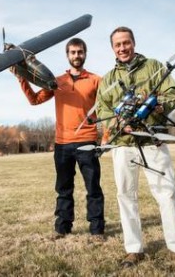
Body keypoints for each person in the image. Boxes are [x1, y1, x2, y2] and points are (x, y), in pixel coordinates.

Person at [97, 26, 175, 268]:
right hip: (123, 145)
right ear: (113, 48)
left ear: (133, 43)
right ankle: (133, 249)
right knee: (126, 195)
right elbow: (102, 109)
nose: (122, 48)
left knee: (167, 192)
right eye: (117, 44)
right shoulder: (107, 79)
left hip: (152, 141)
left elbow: (173, 91)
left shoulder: (153, 66)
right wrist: (116, 122)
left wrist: (158, 106)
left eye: (126, 42)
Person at [12, 38, 105, 241]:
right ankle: (62, 228)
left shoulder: (97, 80)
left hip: (87, 141)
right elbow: (35, 100)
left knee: (93, 188)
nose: (76, 55)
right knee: (63, 188)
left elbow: (107, 108)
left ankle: (97, 230)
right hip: (62, 144)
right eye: (72, 52)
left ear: (85, 53)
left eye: (80, 52)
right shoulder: (56, 81)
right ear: (67, 55)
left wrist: (105, 136)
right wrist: (22, 78)